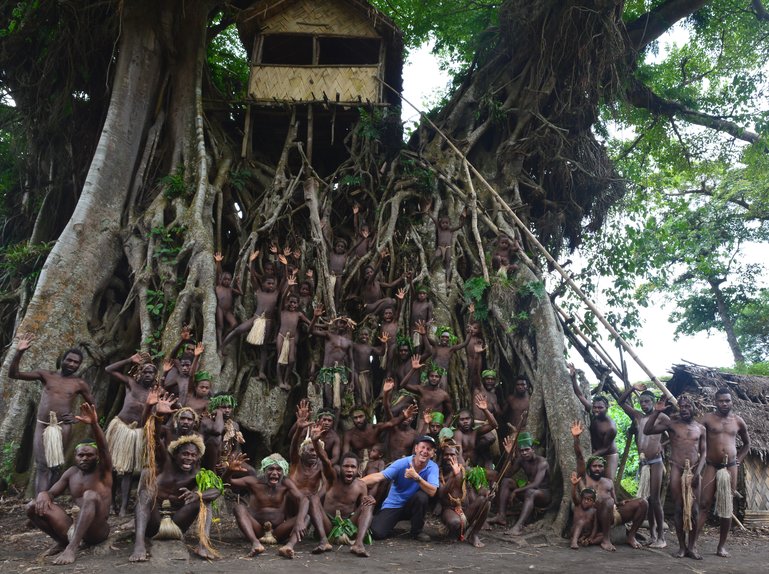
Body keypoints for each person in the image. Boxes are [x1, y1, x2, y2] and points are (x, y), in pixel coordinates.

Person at [8, 333, 95, 494]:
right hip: (43, 426)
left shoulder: (79, 383)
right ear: (62, 360)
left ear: (80, 365)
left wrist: (78, 419)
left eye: (76, 362)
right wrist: (19, 352)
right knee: (42, 465)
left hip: (64, 427)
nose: (72, 364)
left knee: (56, 466)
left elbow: (92, 405)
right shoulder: (46, 375)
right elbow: (14, 374)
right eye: (69, 360)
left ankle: (49, 501)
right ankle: (40, 502)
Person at [27, 403, 112, 564]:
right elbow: (52, 494)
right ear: (75, 456)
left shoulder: (103, 471)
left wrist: (94, 423)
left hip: (97, 530)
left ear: (97, 456)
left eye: (89, 455)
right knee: (31, 506)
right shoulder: (71, 473)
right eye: (81, 455)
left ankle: (71, 549)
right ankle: (62, 542)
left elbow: (104, 448)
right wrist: (43, 493)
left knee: (90, 495)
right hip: (73, 527)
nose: (84, 458)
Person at [129, 433, 221, 561]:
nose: (189, 458)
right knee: (144, 493)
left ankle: (203, 545)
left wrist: (197, 494)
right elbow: (155, 436)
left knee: (205, 500)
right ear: (175, 455)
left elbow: (217, 490)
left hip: (177, 525)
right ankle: (139, 545)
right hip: (153, 523)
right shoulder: (164, 464)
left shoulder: (198, 473)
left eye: (193, 455)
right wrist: (157, 416)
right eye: (185, 454)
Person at [643, 395, 706, 559]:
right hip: (677, 468)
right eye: (682, 406)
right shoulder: (672, 425)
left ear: (694, 407)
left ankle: (692, 547)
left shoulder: (701, 428)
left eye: (687, 406)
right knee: (678, 508)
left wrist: (698, 472)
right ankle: (682, 547)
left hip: (694, 470)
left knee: (695, 510)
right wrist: (656, 412)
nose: (684, 409)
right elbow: (647, 430)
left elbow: (704, 452)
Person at [572, 420, 647, 551]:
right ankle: (606, 539)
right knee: (607, 501)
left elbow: (615, 504)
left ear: (604, 468)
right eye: (594, 466)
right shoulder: (585, 477)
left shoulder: (608, 482)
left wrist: (622, 502)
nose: (597, 469)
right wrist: (576, 439)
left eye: (600, 466)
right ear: (589, 468)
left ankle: (631, 536)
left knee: (643, 503)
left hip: (612, 513)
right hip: (595, 516)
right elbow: (579, 457)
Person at [696, 387, 750, 558]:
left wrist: (738, 460)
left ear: (731, 401)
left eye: (727, 400)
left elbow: (747, 444)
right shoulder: (708, 419)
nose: (724, 403)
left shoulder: (738, 421)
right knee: (704, 504)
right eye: (721, 401)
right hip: (711, 465)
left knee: (727, 507)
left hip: (731, 466)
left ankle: (721, 546)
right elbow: (692, 431)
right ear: (715, 402)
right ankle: (693, 543)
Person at [104, 353, 157, 516]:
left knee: (127, 471)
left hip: (137, 433)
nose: (148, 375)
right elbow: (108, 369)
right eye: (145, 372)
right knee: (112, 468)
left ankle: (123, 507)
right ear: (139, 373)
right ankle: (110, 503)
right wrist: (128, 359)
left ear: (155, 376)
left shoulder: (155, 392)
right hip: (120, 427)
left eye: (151, 373)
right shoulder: (131, 384)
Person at [225, 453, 305, 557]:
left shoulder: (286, 483)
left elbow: (304, 499)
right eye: (271, 469)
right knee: (239, 508)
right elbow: (227, 482)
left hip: (278, 532)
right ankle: (255, 543)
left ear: (284, 471)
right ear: (264, 470)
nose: (275, 473)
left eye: (279, 470)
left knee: (305, 517)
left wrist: (300, 520)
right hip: (257, 530)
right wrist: (229, 471)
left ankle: (289, 546)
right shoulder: (254, 482)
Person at [362, 435, 439, 541]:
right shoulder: (402, 463)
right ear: (416, 448)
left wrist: (417, 478)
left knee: (422, 497)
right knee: (376, 533)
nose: (425, 451)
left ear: (433, 453)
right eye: (423, 447)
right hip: (394, 504)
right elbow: (379, 476)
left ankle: (416, 532)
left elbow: (432, 491)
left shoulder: (433, 467)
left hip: (412, 505)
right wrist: (358, 483)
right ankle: (386, 521)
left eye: (429, 449)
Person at [617, 384, 666, 547]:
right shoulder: (638, 416)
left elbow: (674, 431)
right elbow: (620, 402)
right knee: (647, 499)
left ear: (653, 401)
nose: (644, 405)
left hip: (656, 462)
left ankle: (661, 537)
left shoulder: (661, 417)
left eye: (647, 402)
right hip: (643, 463)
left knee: (655, 499)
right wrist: (632, 388)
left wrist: (663, 444)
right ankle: (652, 534)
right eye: (641, 402)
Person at [489, 433, 550, 534]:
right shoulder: (521, 460)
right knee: (506, 482)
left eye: (527, 450)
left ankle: (518, 527)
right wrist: (509, 456)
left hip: (543, 495)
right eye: (522, 451)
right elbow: (507, 475)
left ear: (533, 449)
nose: (524, 453)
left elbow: (536, 484)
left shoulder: (542, 462)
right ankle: (501, 516)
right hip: (529, 492)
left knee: (531, 492)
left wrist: (516, 490)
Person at [318, 451, 376, 557]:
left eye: (353, 467)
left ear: (358, 469)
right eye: (346, 466)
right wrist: (316, 442)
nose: (349, 470)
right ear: (340, 468)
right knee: (313, 498)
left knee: (368, 504)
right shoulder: (332, 480)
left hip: (348, 526)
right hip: (328, 526)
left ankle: (358, 544)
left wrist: (370, 500)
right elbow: (325, 461)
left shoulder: (361, 486)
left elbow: (363, 509)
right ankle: (324, 541)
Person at [570, 363, 618, 479]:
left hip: (609, 454)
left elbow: (606, 448)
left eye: (600, 408)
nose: (596, 410)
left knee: (608, 481)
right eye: (595, 407)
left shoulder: (610, 427)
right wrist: (573, 377)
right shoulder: (592, 411)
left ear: (607, 408)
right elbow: (580, 395)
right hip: (595, 450)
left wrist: (590, 456)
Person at [437, 442, 487, 548]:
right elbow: (441, 494)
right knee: (455, 522)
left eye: (452, 454)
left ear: (457, 456)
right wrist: (454, 476)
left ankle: (474, 534)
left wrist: (487, 493)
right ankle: (455, 531)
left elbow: (478, 489)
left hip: (466, 510)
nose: (449, 457)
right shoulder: (438, 473)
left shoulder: (465, 471)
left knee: (486, 501)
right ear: (442, 456)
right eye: (446, 454)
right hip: (449, 510)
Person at [214, 252, 243, 347]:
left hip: (227, 311)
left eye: (229, 280)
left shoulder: (230, 289)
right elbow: (219, 273)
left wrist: (238, 285)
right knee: (220, 326)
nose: (227, 281)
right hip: (220, 308)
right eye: (225, 279)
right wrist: (218, 262)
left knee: (234, 324)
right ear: (221, 280)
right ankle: (220, 344)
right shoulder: (218, 286)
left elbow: (241, 293)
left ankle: (223, 338)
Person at [569, 476, 598, 550]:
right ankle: (574, 541)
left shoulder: (594, 511)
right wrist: (574, 486)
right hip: (575, 530)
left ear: (594, 502)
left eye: (589, 500)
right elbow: (574, 496)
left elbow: (595, 526)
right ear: (581, 499)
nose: (586, 501)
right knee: (581, 522)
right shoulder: (578, 505)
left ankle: (588, 541)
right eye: (584, 499)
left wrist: (591, 537)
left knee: (601, 535)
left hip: (586, 534)